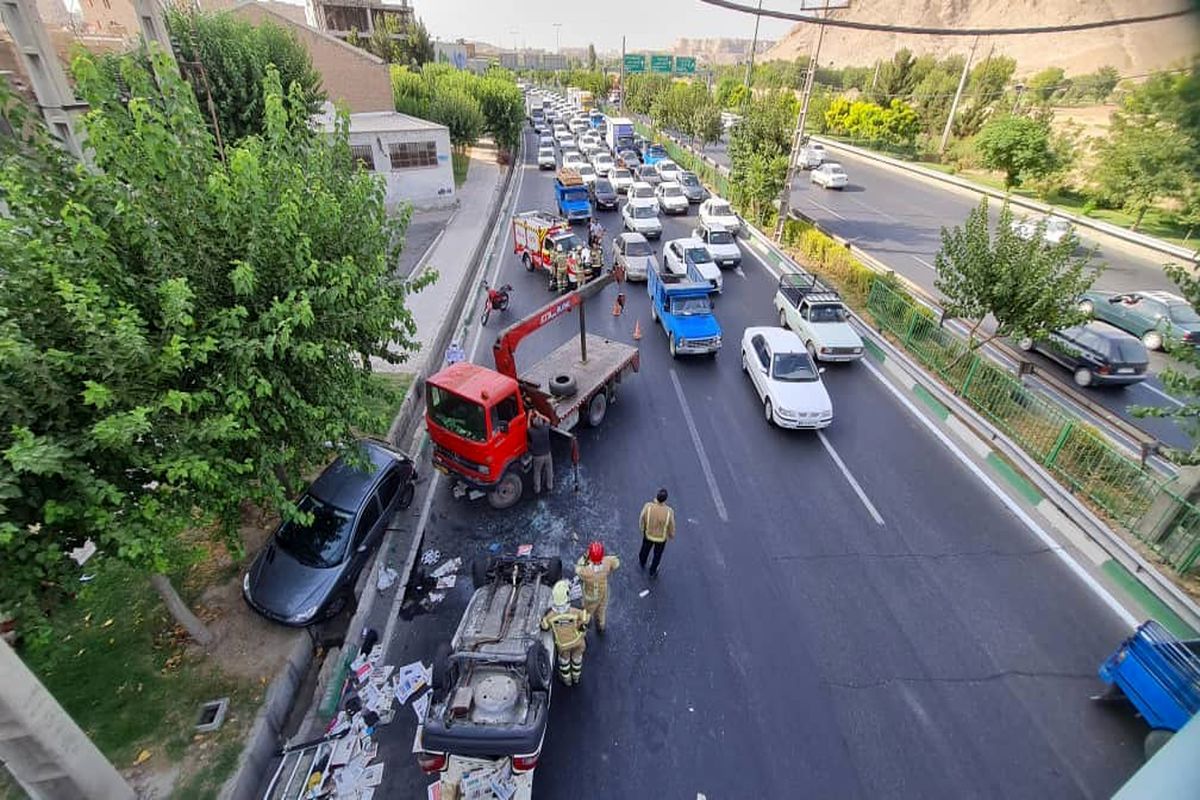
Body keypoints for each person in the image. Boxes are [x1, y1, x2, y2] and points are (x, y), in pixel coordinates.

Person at [540, 580, 589, 685]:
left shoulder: (551, 616)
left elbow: (544, 626)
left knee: (564, 663)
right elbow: (586, 619)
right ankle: (576, 678)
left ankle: (567, 681)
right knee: (577, 660)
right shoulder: (575, 612)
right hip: (578, 642)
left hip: (563, 645)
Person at [576, 541, 620, 633]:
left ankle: (582, 626)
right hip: (603, 592)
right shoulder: (607, 562)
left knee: (587, 613)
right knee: (601, 610)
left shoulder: (586, 571)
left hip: (590, 597)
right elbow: (616, 563)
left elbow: (578, 569)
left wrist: (585, 556)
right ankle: (601, 626)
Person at [638, 488, 675, 578]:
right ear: (665, 499)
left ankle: (642, 562)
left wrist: (642, 529)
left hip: (648, 534)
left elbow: (642, 518)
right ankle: (652, 571)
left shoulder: (648, 507)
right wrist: (671, 535)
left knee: (644, 550)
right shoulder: (669, 511)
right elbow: (671, 525)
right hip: (661, 538)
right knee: (657, 555)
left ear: (656, 496)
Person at [528, 412, 553, 494]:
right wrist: (539, 414)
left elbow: (527, 427)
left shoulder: (532, 432)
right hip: (547, 454)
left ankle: (537, 489)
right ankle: (550, 486)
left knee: (537, 473)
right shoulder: (545, 429)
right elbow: (548, 420)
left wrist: (529, 416)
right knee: (549, 470)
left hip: (537, 456)